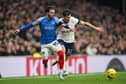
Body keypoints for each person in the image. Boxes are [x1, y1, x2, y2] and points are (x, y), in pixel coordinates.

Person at [15, 6, 68, 80]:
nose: (53, 14)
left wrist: (67, 26)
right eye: (51, 13)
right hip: (44, 44)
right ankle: (45, 62)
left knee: (61, 53)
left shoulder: (55, 20)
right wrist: (20, 29)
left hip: (53, 42)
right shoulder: (41, 20)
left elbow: (62, 23)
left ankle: (61, 72)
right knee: (45, 58)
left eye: (54, 13)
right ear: (47, 13)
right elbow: (31, 25)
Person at [52, 9, 104, 73]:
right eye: (67, 17)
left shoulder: (73, 20)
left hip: (70, 41)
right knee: (63, 50)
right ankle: (62, 68)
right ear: (63, 17)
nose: (69, 18)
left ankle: (61, 63)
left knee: (67, 56)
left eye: (70, 17)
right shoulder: (59, 21)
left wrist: (96, 28)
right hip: (61, 38)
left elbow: (85, 23)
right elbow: (54, 29)